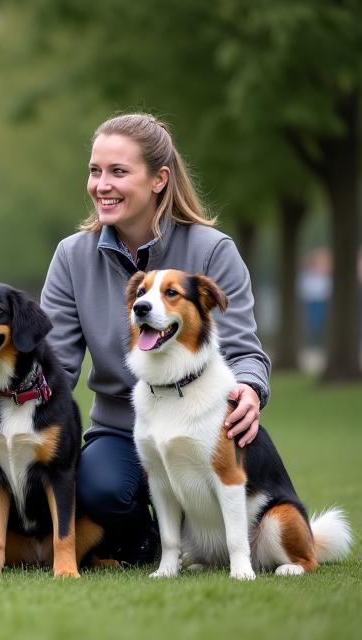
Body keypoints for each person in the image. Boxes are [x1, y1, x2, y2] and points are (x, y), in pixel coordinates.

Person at [40, 113, 271, 565]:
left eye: (118, 172)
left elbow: (245, 351)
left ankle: (206, 536)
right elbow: (56, 366)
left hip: (202, 425)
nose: (101, 185)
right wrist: (18, 402)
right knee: (96, 490)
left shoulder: (212, 250)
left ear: (159, 179)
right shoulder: (72, 257)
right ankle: (152, 544)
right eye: (95, 171)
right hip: (120, 431)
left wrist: (250, 389)